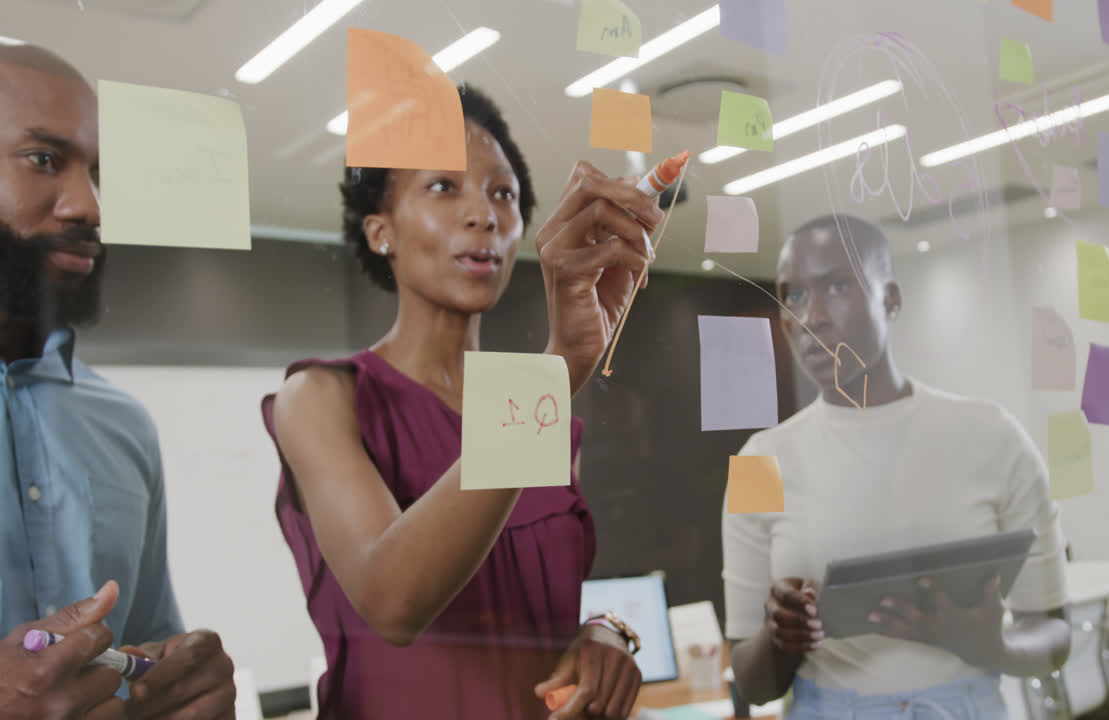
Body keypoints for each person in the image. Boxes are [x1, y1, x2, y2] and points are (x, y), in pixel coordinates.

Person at [262, 85, 657, 719]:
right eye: (443, 188)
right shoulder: (321, 399)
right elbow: (392, 601)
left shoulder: (548, 421)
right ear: (380, 231)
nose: (483, 214)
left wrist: (604, 634)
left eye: (502, 192)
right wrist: (555, 371)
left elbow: (534, 614)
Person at [722, 214, 1071, 718]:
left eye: (837, 286)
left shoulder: (991, 436)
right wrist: (782, 640)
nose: (812, 317)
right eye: (793, 296)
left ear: (891, 300)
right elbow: (753, 685)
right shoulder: (759, 462)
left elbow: (1054, 633)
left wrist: (988, 645)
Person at [0, 44, 236, 718]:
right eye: (44, 160)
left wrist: (189, 687)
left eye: (98, 174)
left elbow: (148, 649)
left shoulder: (123, 425)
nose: (88, 205)